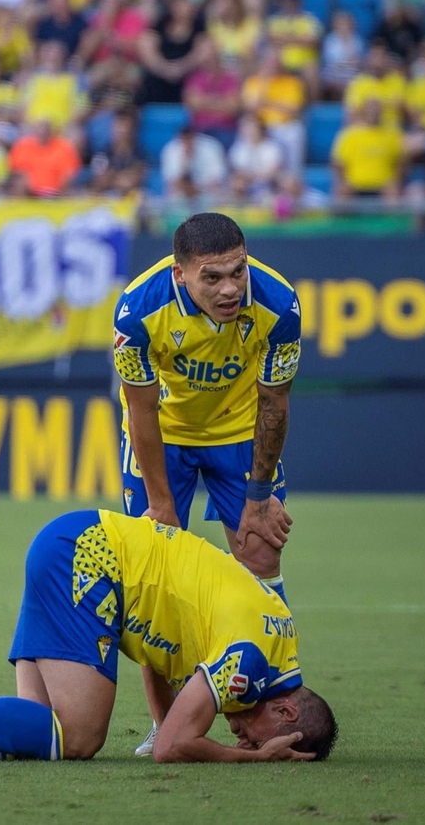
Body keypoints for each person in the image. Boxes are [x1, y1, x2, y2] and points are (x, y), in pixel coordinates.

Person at [0, 509, 335, 765]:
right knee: (80, 738)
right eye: (257, 735)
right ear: (285, 712)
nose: (242, 737)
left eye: (249, 743)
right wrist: (250, 759)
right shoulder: (253, 661)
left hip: (78, 545)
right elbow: (171, 750)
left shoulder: (275, 641)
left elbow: (162, 657)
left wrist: (164, 721)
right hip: (90, 557)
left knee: (37, 742)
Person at [111, 212, 300, 755]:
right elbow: (140, 411)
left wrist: (260, 498)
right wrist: (162, 506)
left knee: (262, 552)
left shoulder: (280, 305)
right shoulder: (138, 311)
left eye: (237, 272)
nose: (230, 288)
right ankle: (163, 724)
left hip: (239, 431)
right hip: (164, 436)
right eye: (212, 277)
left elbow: (275, 401)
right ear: (180, 275)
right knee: (155, 578)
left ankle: (268, 706)